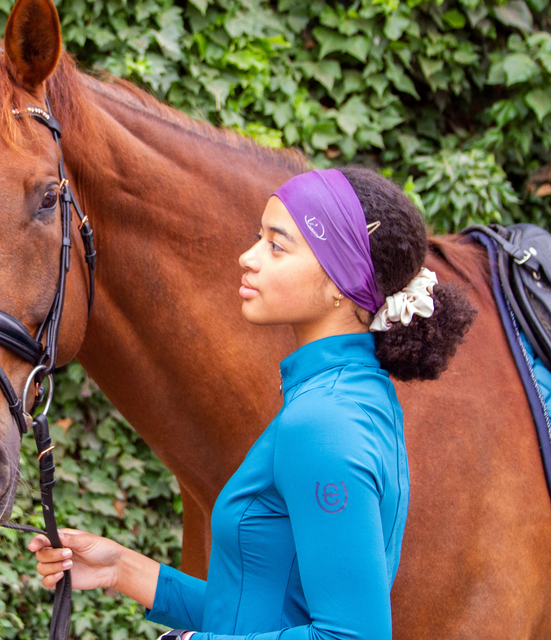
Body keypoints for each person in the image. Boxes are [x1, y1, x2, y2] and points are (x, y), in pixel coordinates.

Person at [29, 167, 476, 639]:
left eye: (276, 246)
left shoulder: (324, 420)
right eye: (257, 237)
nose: (247, 257)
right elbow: (257, 614)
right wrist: (121, 568)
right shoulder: (350, 395)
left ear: (340, 284)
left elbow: (352, 635)